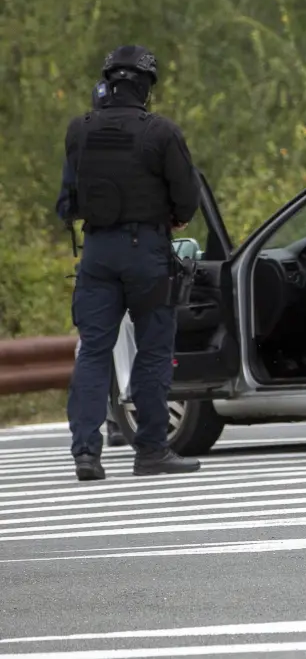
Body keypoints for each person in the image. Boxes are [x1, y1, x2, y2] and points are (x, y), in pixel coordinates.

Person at [56, 46, 201, 481]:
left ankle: (86, 452)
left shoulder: (78, 130)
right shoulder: (161, 132)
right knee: (154, 350)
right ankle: (152, 450)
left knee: (93, 351)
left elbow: (67, 201)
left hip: (97, 252)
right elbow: (188, 198)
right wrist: (172, 218)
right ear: (146, 88)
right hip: (146, 252)